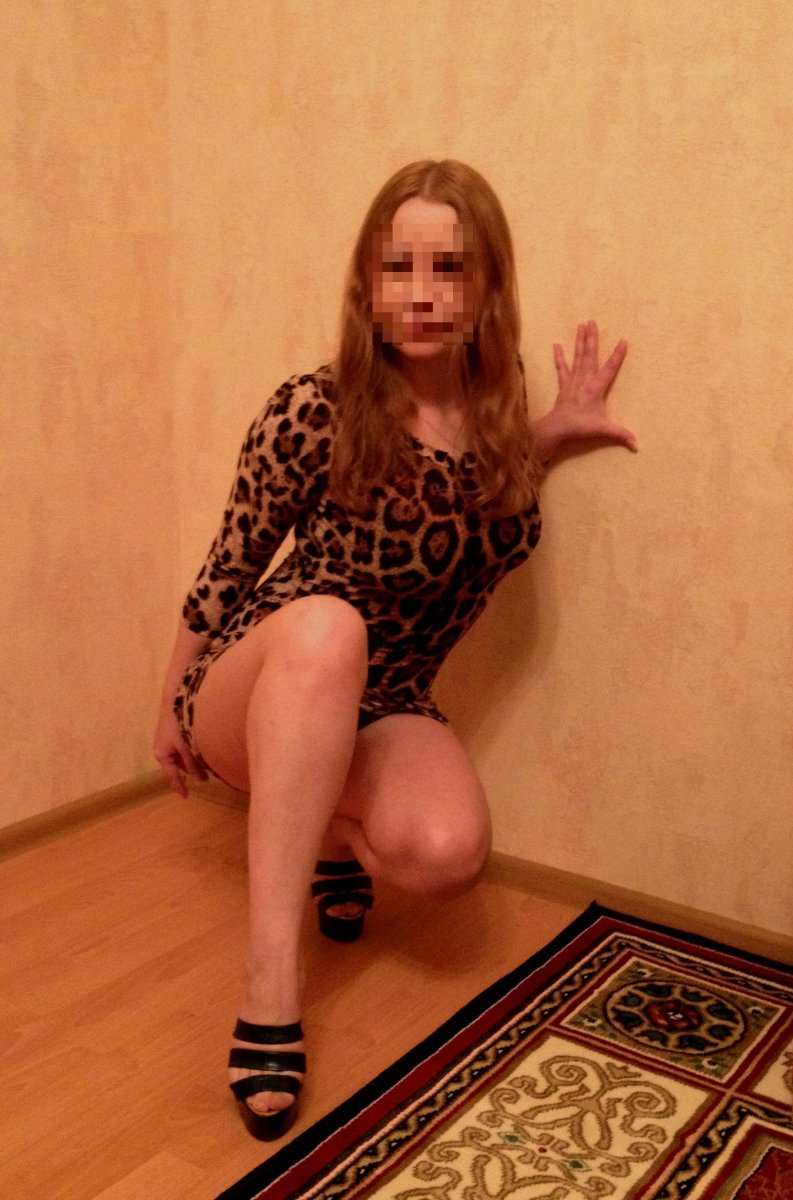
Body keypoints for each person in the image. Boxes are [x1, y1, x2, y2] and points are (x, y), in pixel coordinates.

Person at [153, 158, 636, 1140]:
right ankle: (270, 984)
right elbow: (230, 560)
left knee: (448, 854)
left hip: (385, 697)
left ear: (486, 285)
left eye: (448, 268)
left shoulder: (496, 418)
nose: (420, 293)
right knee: (331, 624)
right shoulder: (314, 407)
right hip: (264, 679)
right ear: (366, 284)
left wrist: (553, 431)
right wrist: (169, 699)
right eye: (397, 267)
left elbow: (464, 493)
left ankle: (331, 839)